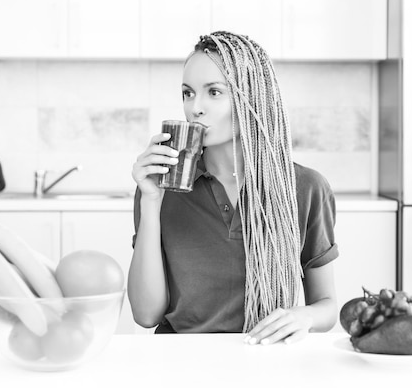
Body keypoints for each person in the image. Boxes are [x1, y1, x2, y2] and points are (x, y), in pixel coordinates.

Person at [129, 31, 338, 345]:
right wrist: (150, 201)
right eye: (187, 93)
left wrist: (304, 316)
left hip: (265, 359)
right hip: (179, 363)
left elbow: (327, 307)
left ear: (251, 97)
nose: (195, 107)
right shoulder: (160, 187)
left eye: (214, 92)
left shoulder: (305, 188)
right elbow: (146, 315)